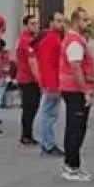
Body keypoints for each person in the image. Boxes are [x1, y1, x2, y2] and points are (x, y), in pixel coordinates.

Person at [59, 7, 94, 182]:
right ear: (75, 21)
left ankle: (73, 165)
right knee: (75, 129)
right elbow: (76, 68)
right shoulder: (74, 41)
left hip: (73, 89)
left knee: (76, 128)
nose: (88, 23)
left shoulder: (76, 39)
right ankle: (71, 167)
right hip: (75, 90)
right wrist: (85, 91)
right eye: (84, 20)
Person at [35, 12, 65, 156]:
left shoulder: (54, 38)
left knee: (50, 114)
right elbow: (47, 64)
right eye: (58, 21)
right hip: (52, 83)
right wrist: (51, 84)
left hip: (54, 81)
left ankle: (46, 143)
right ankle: (47, 144)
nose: (61, 24)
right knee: (49, 114)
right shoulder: (51, 39)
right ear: (51, 22)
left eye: (63, 21)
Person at [15, 14, 42, 146]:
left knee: (31, 108)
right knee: (29, 108)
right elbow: (32, 63)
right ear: (26, 26)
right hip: (28, 80)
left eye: (37, 23)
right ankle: (26, 136)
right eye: (32, 24)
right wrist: (40, 81)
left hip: (27, 78)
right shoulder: (26, 41)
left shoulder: (27, 39)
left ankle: (27, 135)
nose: (36, 26)